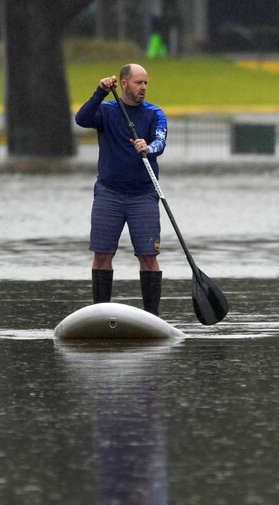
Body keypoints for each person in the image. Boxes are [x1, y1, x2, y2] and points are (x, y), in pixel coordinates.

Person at [74, 63, 167, 316]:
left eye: (146, 83)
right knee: (102, 255)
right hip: (109, 194)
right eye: (139, 83)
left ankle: (152, 317)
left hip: (144, 195)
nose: (144, 88)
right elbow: (81, 119)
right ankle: (100, 314)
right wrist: (99, 92)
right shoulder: (106, 110)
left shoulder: (154, 113)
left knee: (148, 257)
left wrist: (148, 147)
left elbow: (160, 141)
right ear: (124, 84)